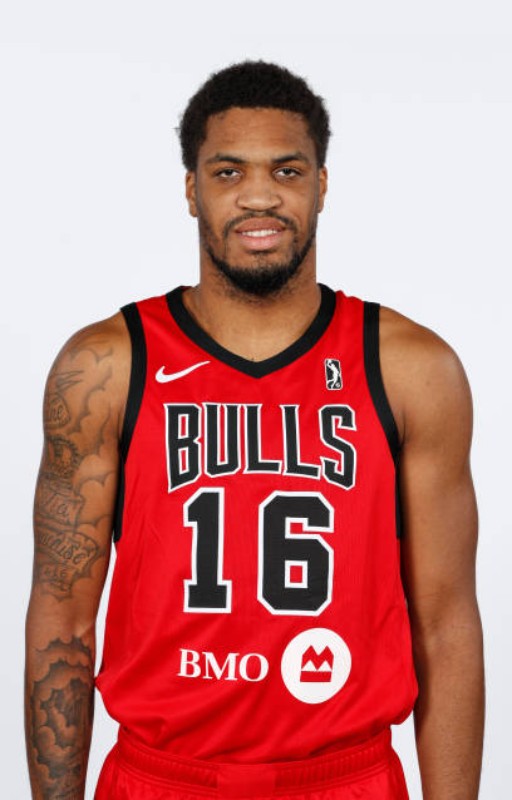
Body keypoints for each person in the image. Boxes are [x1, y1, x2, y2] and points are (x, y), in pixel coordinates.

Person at [25, 61, 484, 800]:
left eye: (287, 170)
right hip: (159, 777)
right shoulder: (105, 366)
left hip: (348, 777)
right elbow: (64, 616)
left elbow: (447, 624)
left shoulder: (411, 369)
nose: (260, 195)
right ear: (191, 189)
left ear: (322, 186)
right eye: (229, 171)